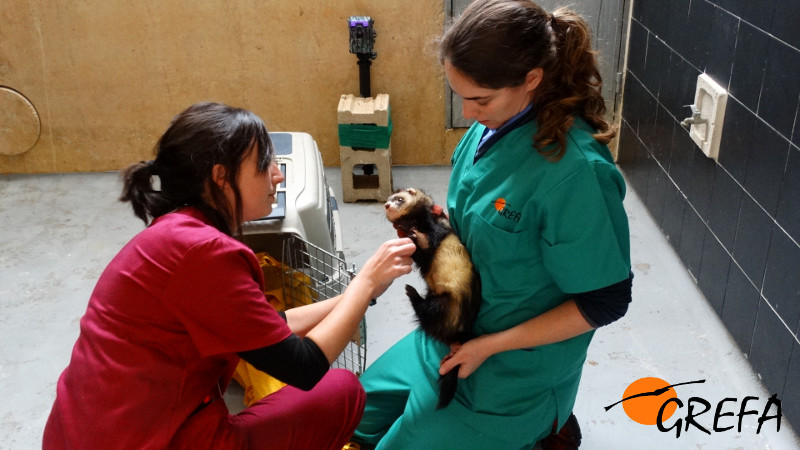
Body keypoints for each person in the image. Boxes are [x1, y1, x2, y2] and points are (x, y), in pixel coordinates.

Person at [43, 102, 416, 450]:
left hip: (84, 431)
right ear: (221, 178)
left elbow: (264, 328)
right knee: (341, 390)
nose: (277, 176)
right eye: (263, 165)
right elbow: (302, 366)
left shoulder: (175, 232)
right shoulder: (204, 254)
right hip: (154, 439)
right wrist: (365, 281)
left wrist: (360, 295)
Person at [352, 1, 633, 448]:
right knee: (346, 415)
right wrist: (433, 237)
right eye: (460, 95)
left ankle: (545, 428)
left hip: (508, 371)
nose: (466, 113)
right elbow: (483, 214)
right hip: (447, 336)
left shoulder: (577, 175)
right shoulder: (490, 126)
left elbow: (607, 301)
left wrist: (490, 346)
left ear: (532, 79)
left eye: (480, 99)